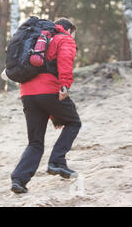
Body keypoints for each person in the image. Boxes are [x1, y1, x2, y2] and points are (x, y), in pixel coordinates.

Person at [11, 18, 81, 194]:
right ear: (68, 29)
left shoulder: (37, 38)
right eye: (74, 34)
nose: (74, 37)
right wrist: (65, 85)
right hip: (50, 90)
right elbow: (65, 60)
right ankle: (56, 161)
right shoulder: (64, 38)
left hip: (27, 93)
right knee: (74, 122)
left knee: (35, 142)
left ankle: (19, 180)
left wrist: (53, 115)